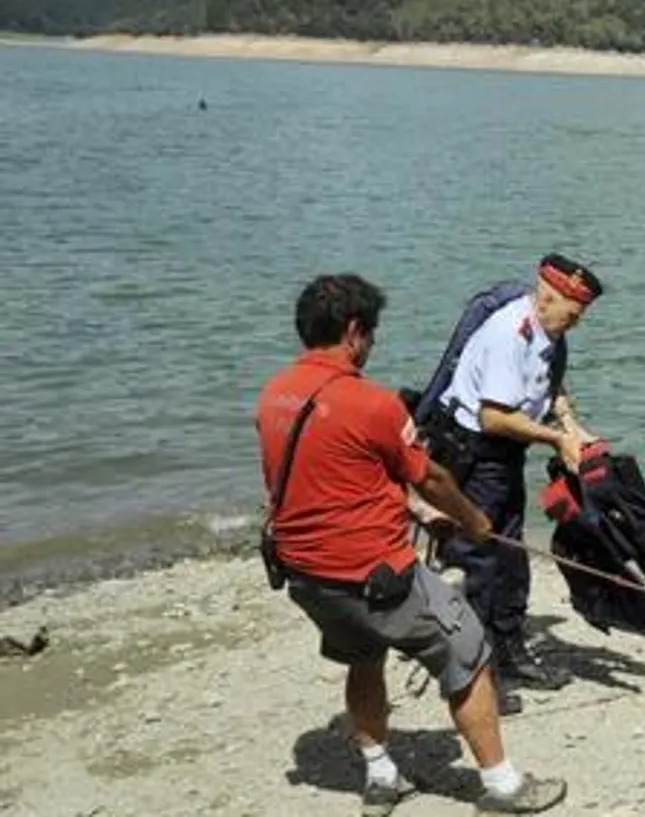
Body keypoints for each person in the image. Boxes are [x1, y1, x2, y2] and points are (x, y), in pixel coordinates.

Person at [254, 273, 565, 815]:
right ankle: (504, 787)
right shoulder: (372, 404)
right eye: (371, 333)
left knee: (365, 655)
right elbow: (434, 478)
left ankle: (380, 777)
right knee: (468, 649)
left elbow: (332, 480)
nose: (372, 344)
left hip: (307, 579)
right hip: (373, 575)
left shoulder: (274, 395)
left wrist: (416, 512)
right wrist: (472, 521)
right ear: (354, 332)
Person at [432, 254, 605, 693]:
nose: (577, 323)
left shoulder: (547, 330)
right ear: (548, 296)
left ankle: (509, 650)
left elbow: (548, 382)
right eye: (573, 314)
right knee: (480, 561)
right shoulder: (511, 333)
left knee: (511, 557)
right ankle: (478, 674)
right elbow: (494, 417)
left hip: (503, 456)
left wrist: (570, 425)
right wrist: (555, 441)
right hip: (475, 454)